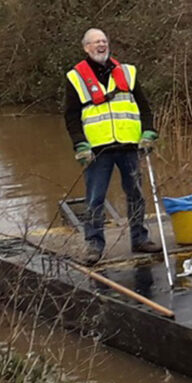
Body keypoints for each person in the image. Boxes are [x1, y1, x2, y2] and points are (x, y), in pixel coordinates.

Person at [63, 28, 157, 264]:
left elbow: (144, 107)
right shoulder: (76, 77)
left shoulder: (127, 72)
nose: (101, 45)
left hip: (128, 145)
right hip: (97, 150)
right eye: (96, 42)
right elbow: (71, 116)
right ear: (86, 48)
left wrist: (148, 132)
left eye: (104, 41)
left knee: (136, 194)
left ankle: (140, 238)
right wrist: (80, 144)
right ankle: (94, 245)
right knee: (95, 198)